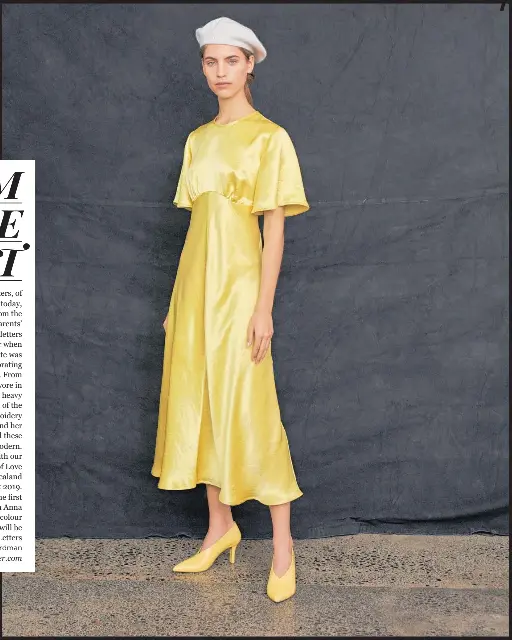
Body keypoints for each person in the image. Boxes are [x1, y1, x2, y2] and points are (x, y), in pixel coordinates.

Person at [151, 16, 309, 603]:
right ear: (204, 68)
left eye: (231, 61)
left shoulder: (270, 138)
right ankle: (220, 528)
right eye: (211, 62)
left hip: (241, 291)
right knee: (200, 402)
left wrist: (263, 308)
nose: (220, 72)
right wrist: (176, 303)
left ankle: (284, 549)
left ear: (250, 65)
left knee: (250, 406)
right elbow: (197, 229)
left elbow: (275, 230)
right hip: (195, 290)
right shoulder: (197, 140)